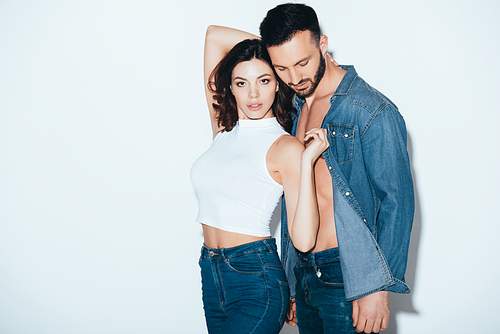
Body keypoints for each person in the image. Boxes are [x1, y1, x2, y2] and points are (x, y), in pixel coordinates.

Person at [257, 4, 415, 334]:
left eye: (302, 62)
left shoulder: (370, 110)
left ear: (323, 44)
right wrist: (292, 276)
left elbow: (397, 204)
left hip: (349, 276)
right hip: (304, 274)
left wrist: (377, 286)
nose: (294, 78)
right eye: (282, 68)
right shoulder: (297, 104)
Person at [190, 25, 329, 334]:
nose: (253, 94)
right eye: (242, 83)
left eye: (264, 80)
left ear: (278, 84)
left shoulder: (286, 148)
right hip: (211, 273)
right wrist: (267, 53)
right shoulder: (223, 127)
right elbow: (213, 36)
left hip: (256, 280)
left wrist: (306, 162)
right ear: (230, 87)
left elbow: (304, 240)